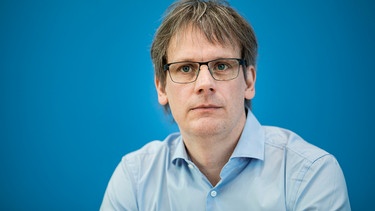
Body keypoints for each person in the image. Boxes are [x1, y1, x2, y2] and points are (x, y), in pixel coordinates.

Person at [100, 0, 351, 210]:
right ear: (162, 88)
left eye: (221, 66)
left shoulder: (311, 174)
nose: (204, 84)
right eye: (185, 68)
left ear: (249, 81)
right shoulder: (134, 179)